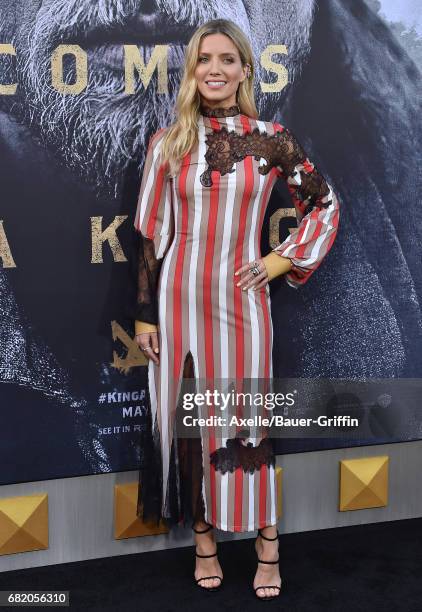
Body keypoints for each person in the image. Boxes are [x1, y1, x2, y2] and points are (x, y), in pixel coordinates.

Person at [133, 18, 340, 600]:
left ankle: (267, 547)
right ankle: (204, 542)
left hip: (242, 303)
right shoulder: (168, 141)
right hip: (176, 301)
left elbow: (323, 206)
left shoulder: (273, 138)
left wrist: (278, 261)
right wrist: (146, 315)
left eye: (227, 59)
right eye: (203, 60)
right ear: (192, 71)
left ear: (246, 69)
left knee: (247, 423)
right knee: (188, 427)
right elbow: (149, 236)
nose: (215, 70)